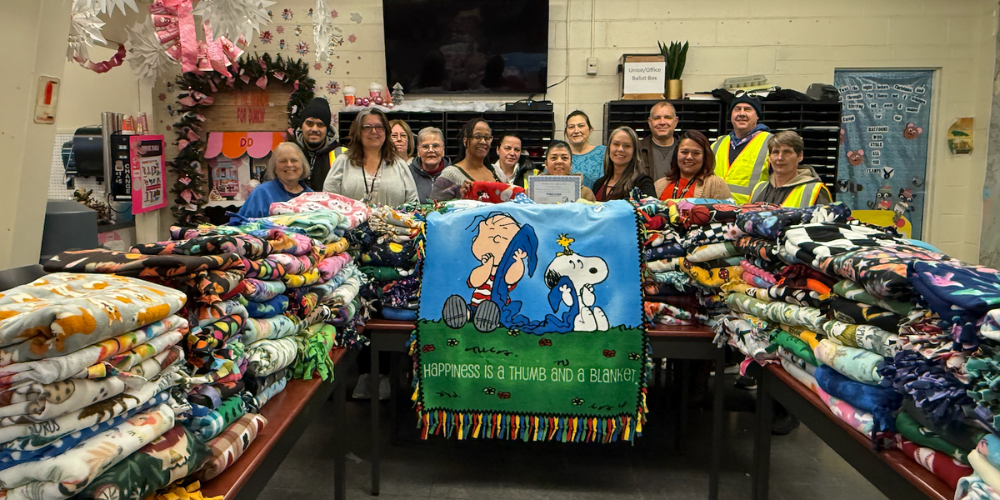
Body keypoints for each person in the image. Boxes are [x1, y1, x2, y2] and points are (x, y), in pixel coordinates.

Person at [323, 108, 418, 207]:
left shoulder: (399, 165)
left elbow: (413, 204)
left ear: (386, 132)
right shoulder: (343, 162)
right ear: (358, 132)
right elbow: (328, 201)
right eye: (367, 127)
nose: (374, 131)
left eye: (379, 127)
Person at [711, 95, 772, 204]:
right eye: (737, 109)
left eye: (748, 109)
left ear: (757, 116)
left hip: (751, 211)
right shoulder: (717, 144)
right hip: (715, 209)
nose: (742, 113)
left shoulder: (771, 143)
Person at [429, 118, 506, 201]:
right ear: (465, 141)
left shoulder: (498, 173)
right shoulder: (450, 175)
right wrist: (461, 200)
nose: (483, 141)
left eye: (487, 138)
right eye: (477, 137)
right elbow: (434, 206)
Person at [750, 131, 832, 207]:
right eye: (775, 152)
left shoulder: (815, 191)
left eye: (787, 152)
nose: (780, 158)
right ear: (769, 157)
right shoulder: (759, 189)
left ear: (800, 156)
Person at [234, 142, 312, 220]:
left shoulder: (311, 195)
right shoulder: (261, 193)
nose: (289, 165)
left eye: (294, 160)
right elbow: (240, 223)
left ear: (303, 165)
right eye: (283, 161)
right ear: (274, 167)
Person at [654, 130, 732, 200]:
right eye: (684, 152)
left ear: (705, 157)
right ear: (676, 154)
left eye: (696, 153)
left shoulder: (716, 185)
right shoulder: (659, 185)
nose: (689, 157)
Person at [294, 97, 346, 192]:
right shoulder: (289, 151)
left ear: (327, 129)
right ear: (301, 126)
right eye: (309, 123)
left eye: (320, 125)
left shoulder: (342, 154)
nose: (314, 129)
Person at [592, 127, 656, 201]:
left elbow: (652, 207)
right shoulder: (599, 183)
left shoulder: (643, 182)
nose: (620, 149)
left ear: (634, 152)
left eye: (627, 146)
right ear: (609, 148)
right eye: (616, 144)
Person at [520, 140, 596, 201]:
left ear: (571, 164)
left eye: (564, 158)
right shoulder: (531, 192)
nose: (559, 161)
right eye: (554, 158)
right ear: (546, 164)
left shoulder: (585, 193)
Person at [639, 101, 680, 184]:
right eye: (657, 118)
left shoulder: (685, 150)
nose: (662, 122)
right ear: (649, 122)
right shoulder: (637, 150)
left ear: (675, 121)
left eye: (667, 117)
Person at [408, 127, 451, 204]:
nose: (431, 150)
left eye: (436, 146)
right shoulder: (408, 174)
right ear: (418, 151)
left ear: (443, 150)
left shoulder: (454, 174)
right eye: (425, 146)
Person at [565, 110, 606, 189]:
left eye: (581, 126)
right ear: (566, 133)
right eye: (571, 127)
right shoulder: (559, 155)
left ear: (590, 130)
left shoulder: (603, 153)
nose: (576, 131)